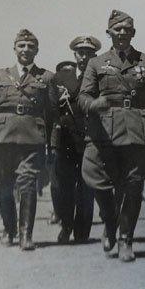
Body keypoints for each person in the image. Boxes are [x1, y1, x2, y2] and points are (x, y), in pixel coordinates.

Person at [79, 10, 145, 262]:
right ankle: (109, 223)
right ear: (108, 32)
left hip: (137, 133)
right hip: (104, 133)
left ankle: (125, 239)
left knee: (133, 186)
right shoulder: (96, 64)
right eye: (117, 29)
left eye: (127, 30)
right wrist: (95, 103)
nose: (122, 34)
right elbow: (83, 97)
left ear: (133, 33)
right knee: (98, 181)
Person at [0, 29, 58, 250]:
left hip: (32, 139)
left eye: (30, 46)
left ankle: (25, 235)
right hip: (3, 139)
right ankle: (8, 228)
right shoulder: (0, 76)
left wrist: (52, 144)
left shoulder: (46, 77)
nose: (26, 50)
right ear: (14, 48)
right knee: (3, 187)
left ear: (37, 50)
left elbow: (52, 115)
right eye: (21, 46)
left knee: (28, 184)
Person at [51, 36, 100, 244]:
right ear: (74, 55)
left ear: (94, 56)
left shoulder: (100, 77)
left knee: (87, 187)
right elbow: (52, 107)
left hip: (90, 139)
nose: (84, 57)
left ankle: (82, 230)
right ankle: (66, 225)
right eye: (80, 52)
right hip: (66, 140)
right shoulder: (61, 77)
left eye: (88, 53)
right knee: (65, 186)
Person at [46, 61, 79, 226]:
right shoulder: (52, 88)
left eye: (71, 71)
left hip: (76, 140)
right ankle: (58, 211)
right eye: (64, 71)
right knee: (55, 180)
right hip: (56, 140)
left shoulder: (79, 87)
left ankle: (67, 216)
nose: (68, 74)